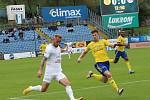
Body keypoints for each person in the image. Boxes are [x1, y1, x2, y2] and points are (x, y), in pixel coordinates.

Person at [23, 35, 83, 100]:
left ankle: (72, 99)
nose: (58, 43)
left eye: (59, 42)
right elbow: (44, 59)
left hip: (58, 72)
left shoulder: (58, 47)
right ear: (53, 40)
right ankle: (31, 88)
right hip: (49, 73)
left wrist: (66, 49)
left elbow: (59, 50)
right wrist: (40, 70)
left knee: (67, 84)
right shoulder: (49, 48)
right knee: (43, 89)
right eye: (57, 41)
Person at [77, 30, 124, 95]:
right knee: (109, 74)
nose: (94, 36)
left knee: (105, 80)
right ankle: (118, 90)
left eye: (95, 35)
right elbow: (85, 52)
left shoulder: (103, 41)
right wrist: (80, 58)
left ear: (98, 35)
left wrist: (115, 45)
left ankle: (92, 75)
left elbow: (110, 45)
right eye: (93, 35)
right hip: (99, 63)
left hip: (106, 62)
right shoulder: (90, 44)